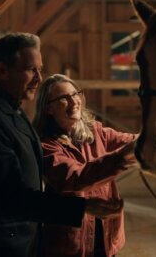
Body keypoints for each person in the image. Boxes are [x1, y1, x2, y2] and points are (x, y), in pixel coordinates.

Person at [0, 33, 123, 257]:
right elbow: (12, 198)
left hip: (17, 242)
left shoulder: (11, 109)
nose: (39, 78)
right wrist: (83, 207)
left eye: (40, 70)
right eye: (32, 70)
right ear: (2, 70)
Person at [33, 74, 139, 257]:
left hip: (106, 239)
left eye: (76, 94)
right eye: (64, 98)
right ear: (49, 108)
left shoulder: (96, 131)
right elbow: (76, 176)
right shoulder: (46, 145)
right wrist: (121, 157)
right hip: (70, 245)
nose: (74, 101)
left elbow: (132, 141)